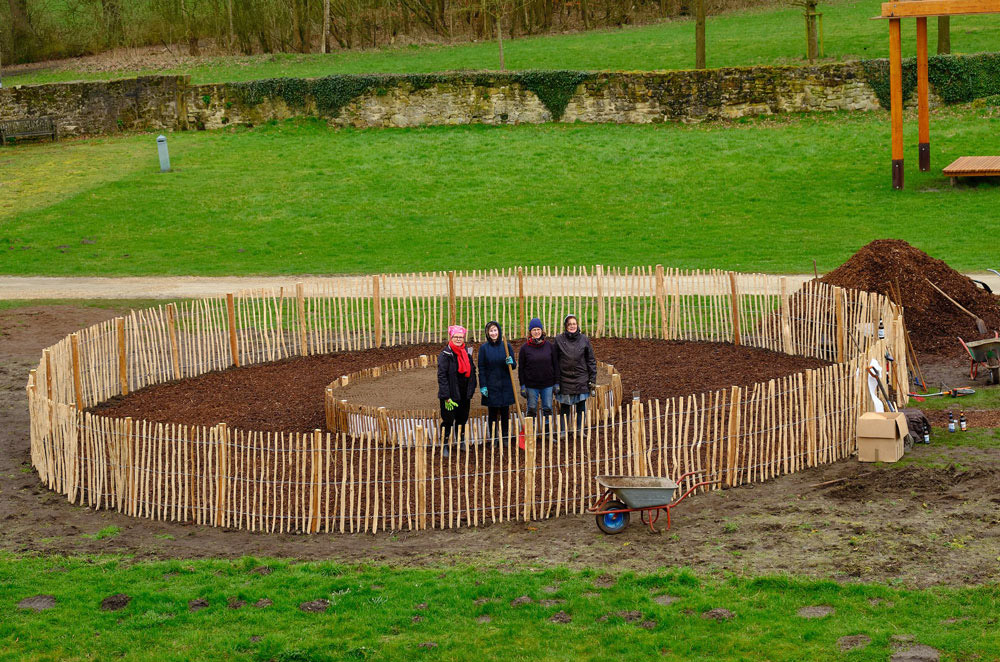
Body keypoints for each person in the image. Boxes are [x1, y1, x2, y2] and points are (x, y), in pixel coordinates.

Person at [554, 314, 597, 436]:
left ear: (577, 325)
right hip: (565, 378)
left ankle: (579, 430)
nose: (572, 326)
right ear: (566, 326)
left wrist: (592, 378)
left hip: (581, 377)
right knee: (565, 406)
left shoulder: (584, 340)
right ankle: (563, 431)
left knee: (580, 405)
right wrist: (555, 381)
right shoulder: (559, 340)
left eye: (574, 323)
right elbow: (554, 361)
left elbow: (591, 360)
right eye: (569, 324)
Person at [437, 324, 477, 457]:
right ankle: (444, 445)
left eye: (461, 337)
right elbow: (442, 376)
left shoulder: (466, 352)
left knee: (462, 418)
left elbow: (472, 370)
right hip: (451, 394)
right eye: (456, 337)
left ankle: (460, 442)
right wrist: (446, 396)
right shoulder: (445, 355)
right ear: (451, 337)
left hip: (464, 393)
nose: (459, 339)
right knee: (448, 420)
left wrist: (472, 387)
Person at [517, 317, 559, 435]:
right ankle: (531, 434)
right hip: (531, 385)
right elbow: (521, 368)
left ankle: (547, 433)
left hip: (547, 384)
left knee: (547, 408)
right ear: (530, 332)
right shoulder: (525, 348)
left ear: (542, 331)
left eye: (538, 329)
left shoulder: (549, 346)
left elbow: (556, 365)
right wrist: (523, 385)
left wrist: (556, 382)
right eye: (534, 329)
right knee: (532, 409)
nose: (536, 332)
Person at [478, 320, 517, 443]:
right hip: (491, 385)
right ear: (487, 333)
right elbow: (481, 368)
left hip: (505, 384)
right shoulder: (484, 348)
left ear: (499, 331)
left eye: (495, 330)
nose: (493, 333)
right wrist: (483, 385)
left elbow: (514, 365)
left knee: (505, 412)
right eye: (491, 331)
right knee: (493, 413)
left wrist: (511, 362)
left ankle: (505, 437)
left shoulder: (506, 346)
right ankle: (494, 438)